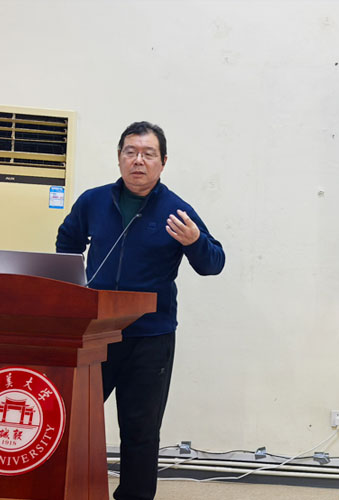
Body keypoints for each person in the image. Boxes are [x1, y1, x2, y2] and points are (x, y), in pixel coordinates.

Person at [56, 121, 225, 500]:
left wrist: (195, 241)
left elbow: (213, 263)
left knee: (140, 431)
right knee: (74, 419)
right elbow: (66, 242)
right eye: (131, 152)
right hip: (95, 333)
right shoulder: (93, 201)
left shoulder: (177, 210)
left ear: (163, 162)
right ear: (119, 157)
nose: (138, 161)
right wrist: (75, 291)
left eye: (148, 154)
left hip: (151, 338)